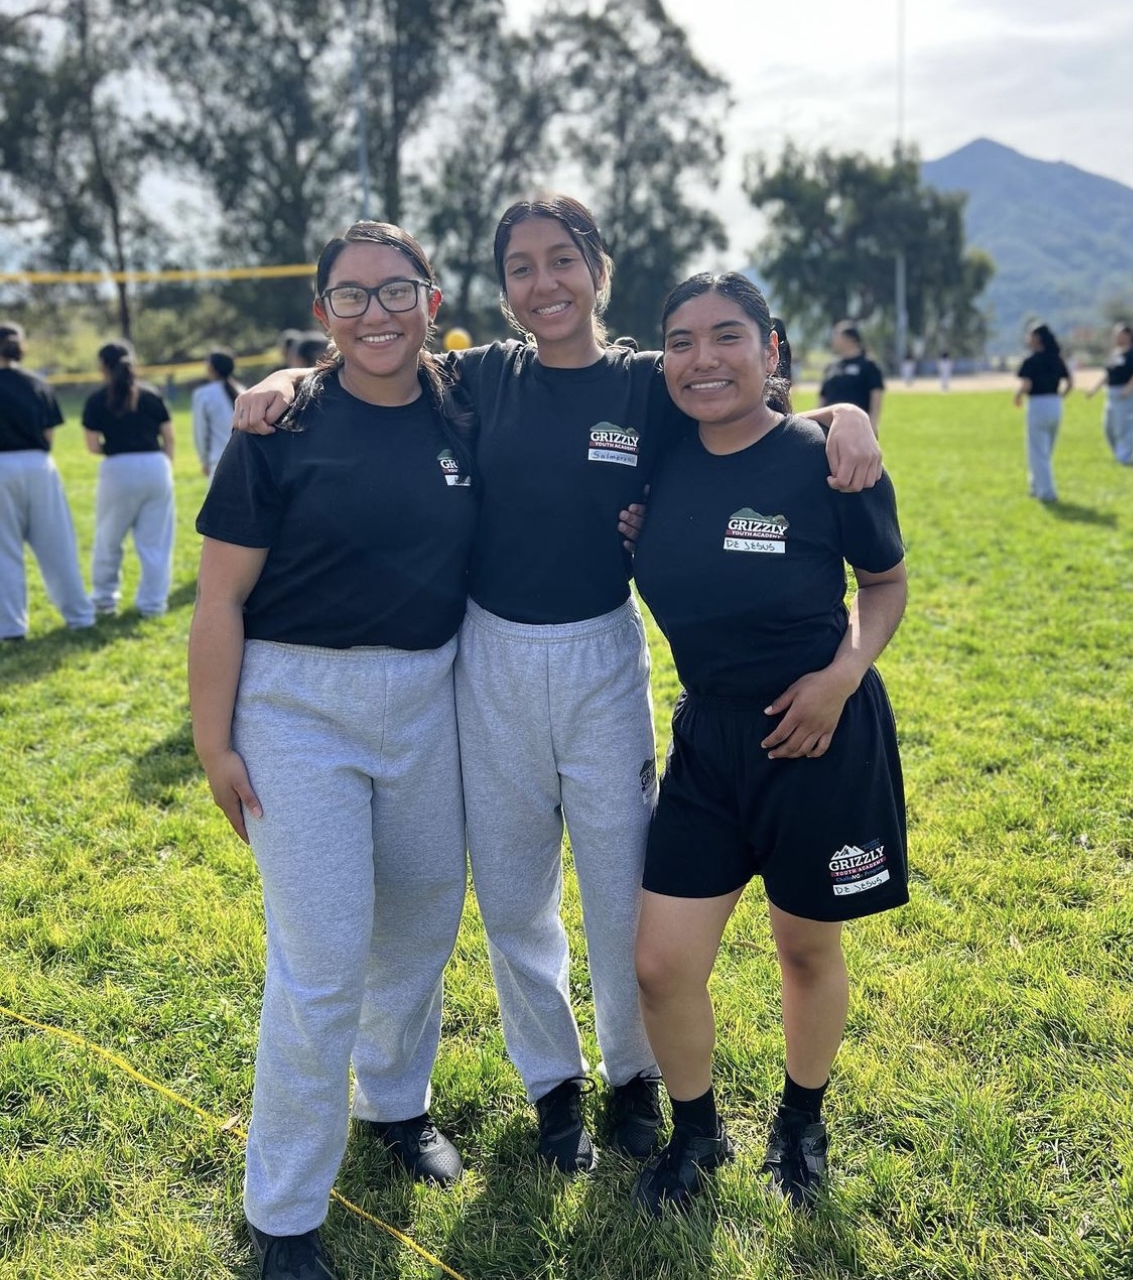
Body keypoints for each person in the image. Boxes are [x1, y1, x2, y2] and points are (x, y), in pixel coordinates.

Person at [233, 196, 883, 1176]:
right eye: (522, 267)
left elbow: (747, 405)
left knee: (622, 888)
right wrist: (285, 375)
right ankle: (551, 1082)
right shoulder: (479, 379)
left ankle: (632, 1079)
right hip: (486, 656)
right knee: (512, 894)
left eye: (561, 261)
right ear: (501, 291)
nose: (544, 284)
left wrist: (844, 416)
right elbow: (370, 358)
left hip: (600, 658)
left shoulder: (645, 383)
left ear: (598, 270)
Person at [189, 221, 477, 1280]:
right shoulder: (279, 425)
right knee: (318, 963)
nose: (375, 313)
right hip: (295, 705)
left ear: (431, 299)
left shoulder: (466, 404)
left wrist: (834, 410)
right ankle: (283, 1212)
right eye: (349, 297)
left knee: (416, 925)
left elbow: (628, 393)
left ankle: (395, 1104)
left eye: (395, 290)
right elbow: (219, 595)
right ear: (323, 315)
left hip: (425, 697)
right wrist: (212, 738)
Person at [629, 271, 907, 1218]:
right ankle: (696, 1135)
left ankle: (800, 1120)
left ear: (770, 349)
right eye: (680, 341)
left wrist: (839, 679)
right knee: (660, 963)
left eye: (727, 336)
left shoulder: (825, 458)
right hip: (708, 734)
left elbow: (884, 586)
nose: (702, 358)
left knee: (803, 946)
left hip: (816, 729)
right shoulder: (657, 451)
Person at [0, 321, 94, 640]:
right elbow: (48, 435)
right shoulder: (37, 383)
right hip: (39, 464)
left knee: (4, 550)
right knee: (58, 544)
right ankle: (79, 616)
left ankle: (11, 627)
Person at [81, 342, 175, 618]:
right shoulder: (151, 394)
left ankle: (104, 600)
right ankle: (153, 604)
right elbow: (168, 438)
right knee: (156, 541)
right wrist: (164, 465)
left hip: (117, 468)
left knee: (108, 538)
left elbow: (92, 445)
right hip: (156, 466)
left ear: (103, 366)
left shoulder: (97, 399)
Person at [1014, 323, 1072, 502]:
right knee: (1046, 450)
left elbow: (1027, 384)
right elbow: (1070, 383)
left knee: (1037, 451)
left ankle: (1046, 492)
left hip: (1038, 403)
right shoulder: (1057, 359)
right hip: (1055, 403)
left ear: (1037, 339)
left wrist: (1017, 396)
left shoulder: (1031, 361)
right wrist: (1059, 398)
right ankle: (1035, 485)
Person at [818, 321, 884, 434]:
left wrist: (872, 425)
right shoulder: (832, 366)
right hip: (829, 427)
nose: (833, 339)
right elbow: (823, 397)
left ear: (850, 339)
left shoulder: (868, 365)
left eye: (836, 335)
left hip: (857, 427)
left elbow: (876, 396)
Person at [1084, 322, 1133, 465]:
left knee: (1123, 427)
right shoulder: (1114, 354)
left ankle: (1124, 457)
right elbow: (1108, 374)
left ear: (1128, 336)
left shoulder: (1131, 354)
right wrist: (1094, 390)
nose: (1117, 337)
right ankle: (1119, 452)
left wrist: (1128, 389)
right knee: (1109, 428)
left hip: (1125, 393)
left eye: (1120, 334)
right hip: (1111, 394)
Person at [192, 350, 243, 479]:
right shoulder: (243, 390)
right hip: (245, 458)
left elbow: (200, 431)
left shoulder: (203, 394)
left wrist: (204, 460)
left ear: (211, 368)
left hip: (219, 461)